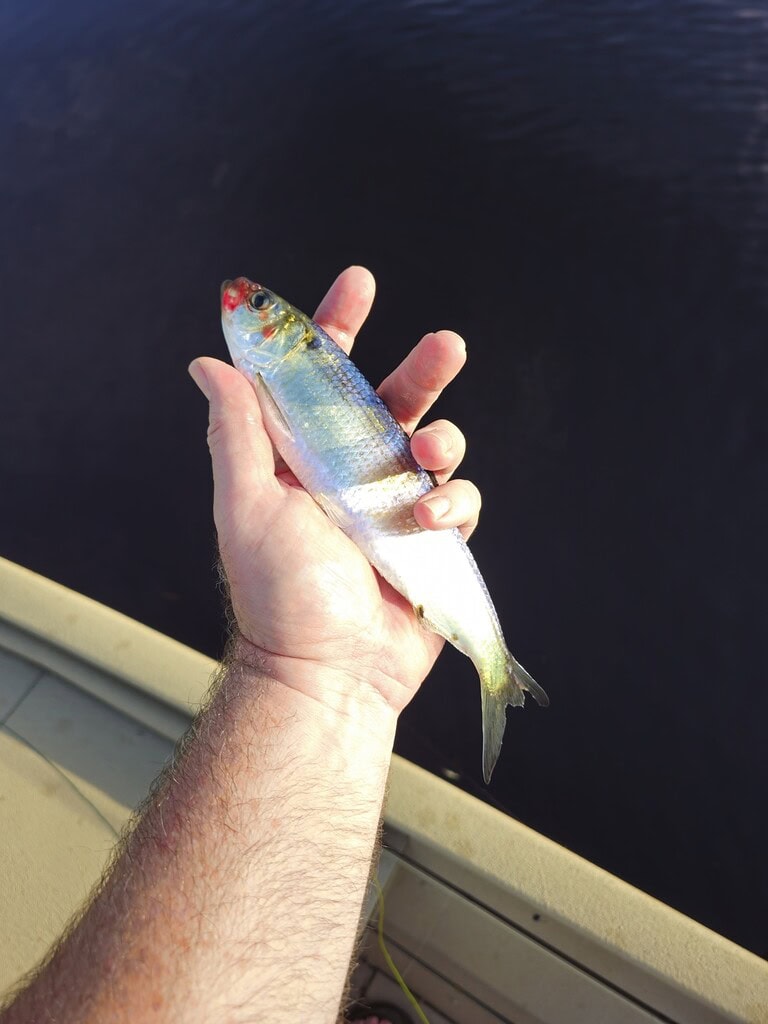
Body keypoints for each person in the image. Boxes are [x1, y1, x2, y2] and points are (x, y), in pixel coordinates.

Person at [0, 267, 481, 1024]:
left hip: (349, 630)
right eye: (259, 304)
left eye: (258, 305)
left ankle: (491, 663)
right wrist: (316, 673)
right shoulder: (271, 362)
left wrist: (323, 677)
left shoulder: (285, 354)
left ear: (280, 332)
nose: (238, 299)